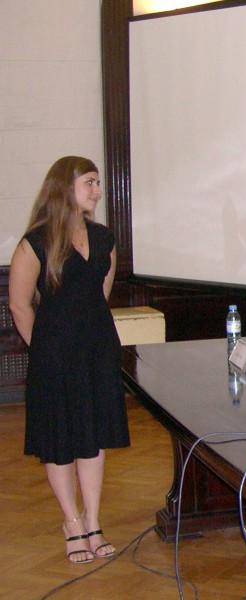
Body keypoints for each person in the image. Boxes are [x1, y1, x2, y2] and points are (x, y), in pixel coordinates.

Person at [9, 156, 130, 563]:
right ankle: (72, 522)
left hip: (97, 349)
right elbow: (19, 305)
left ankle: (93, 521)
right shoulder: (36, 241)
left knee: (93, 437)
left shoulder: (104, 238)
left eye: (97, 183)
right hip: (54, 355)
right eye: (90, 182)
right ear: (65, 187)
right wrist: (44, 348)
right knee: (60, 441)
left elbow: (102, 293)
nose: (97, 190)